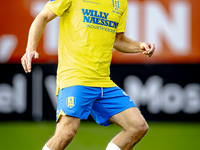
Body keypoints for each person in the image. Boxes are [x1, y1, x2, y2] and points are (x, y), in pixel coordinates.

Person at [21, 0, 155, 150]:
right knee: (66, 133)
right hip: (75, 77)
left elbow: (118, 39)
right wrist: (30, 49)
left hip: (103, 81)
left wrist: (140, 46)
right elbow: (43, 17)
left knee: (137, 126)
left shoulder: (120, 2)